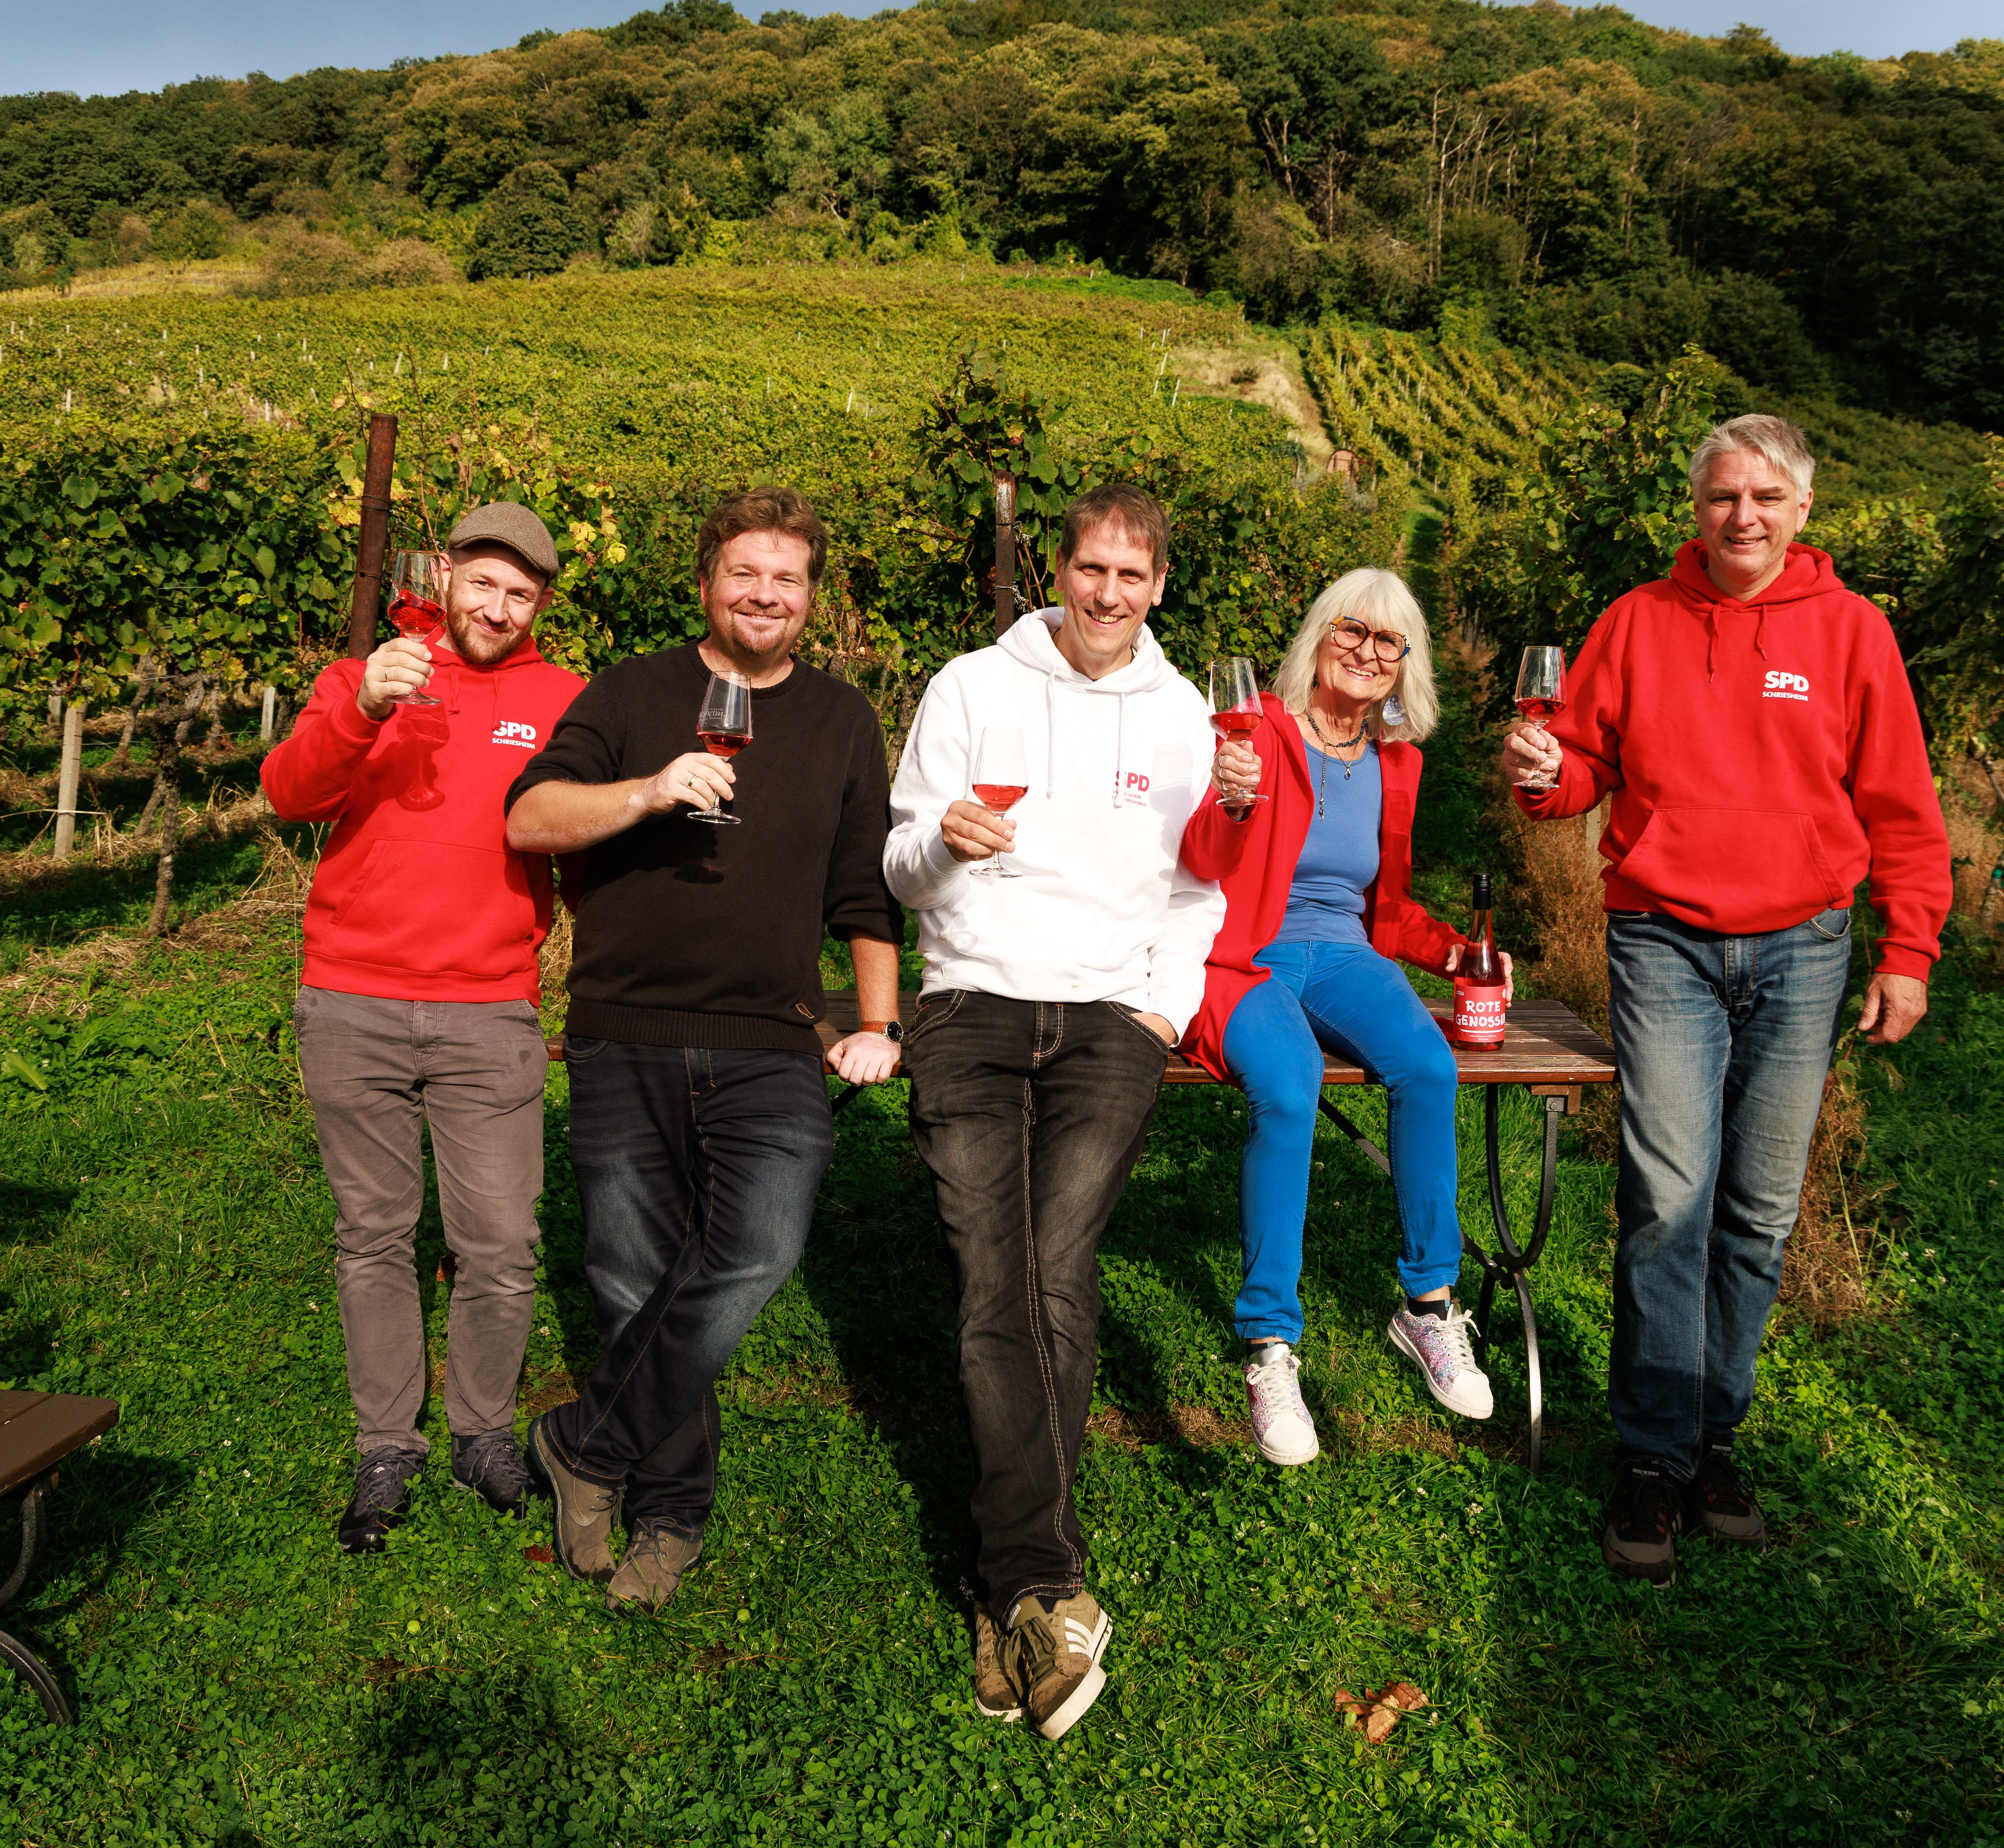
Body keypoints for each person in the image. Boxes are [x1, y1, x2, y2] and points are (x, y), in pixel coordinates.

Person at [1504, 413, 1950, 1585]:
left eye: (1764, 497)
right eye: (1720, 497)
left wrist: (1909, 947)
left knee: (1758, 1209)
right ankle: (1652, 1455)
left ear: (1802, 510)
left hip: (1806, 947)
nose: (1740, 516)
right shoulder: (1637, 624)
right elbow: (1582, 768)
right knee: (1666, 1196)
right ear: (1694, 509)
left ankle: (1716, 1435)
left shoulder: (1852, 634)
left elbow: (1899, 799)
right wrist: (1549, 779)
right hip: (1665, 942)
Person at [505, 486, 902, 1611]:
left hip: (773, 1040)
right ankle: (670, 1512)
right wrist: (648, 789)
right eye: (745, 573)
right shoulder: (632, 692)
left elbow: (867, 893)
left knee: (758, 1247)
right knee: (634, 1279)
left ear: (811, 598)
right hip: (626, 1030)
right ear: (707, 584)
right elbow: (528, 818)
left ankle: (584, 1442)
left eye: (787, 578)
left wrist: (875, 1024)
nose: (765, 594)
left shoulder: (841, 720)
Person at [884, 481, 1225, 1739]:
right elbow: (900, 860)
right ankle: (1039, 1587)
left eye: (1133, 579)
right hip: (972, 1003)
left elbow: (1200, 888)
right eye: (1091, 570)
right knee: (997, 1279)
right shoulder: (974, 685)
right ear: (1059, 571)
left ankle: (1012, 1590)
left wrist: (1163, 1010)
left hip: (1107, 1023)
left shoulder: (1185, 716)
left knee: (1055, 1271)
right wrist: (946, 849)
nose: (1107, 596)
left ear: (1159, 589)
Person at [262, 502, 587, 1553]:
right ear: (446, 575)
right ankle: (385, 1441)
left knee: (498, 1240)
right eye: (483, 583)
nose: (497, 607)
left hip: (489, 1007)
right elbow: (290, 793)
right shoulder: (367, 674)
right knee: (375, 1234)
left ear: (541, 604)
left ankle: (483, 1429)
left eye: (521, 593)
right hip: (350, 998)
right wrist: (360, 702)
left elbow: (585, 846)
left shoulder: (562, 703)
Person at [1186, 568, 1503, 1467]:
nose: (1368, 651)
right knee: (1292, 1084)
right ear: (1320, 636)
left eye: (1389, 640)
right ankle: (1269, 1346)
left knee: (1429, 1066)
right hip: (1246, 949)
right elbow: (1209, 842)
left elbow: (1387, 904)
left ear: (1407, 664)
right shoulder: (1262, 732)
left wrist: (1455, 952)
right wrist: (1228, 788)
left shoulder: (1397, 763)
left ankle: (1428, 1306)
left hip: (1343, 953)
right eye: (1352, 631)